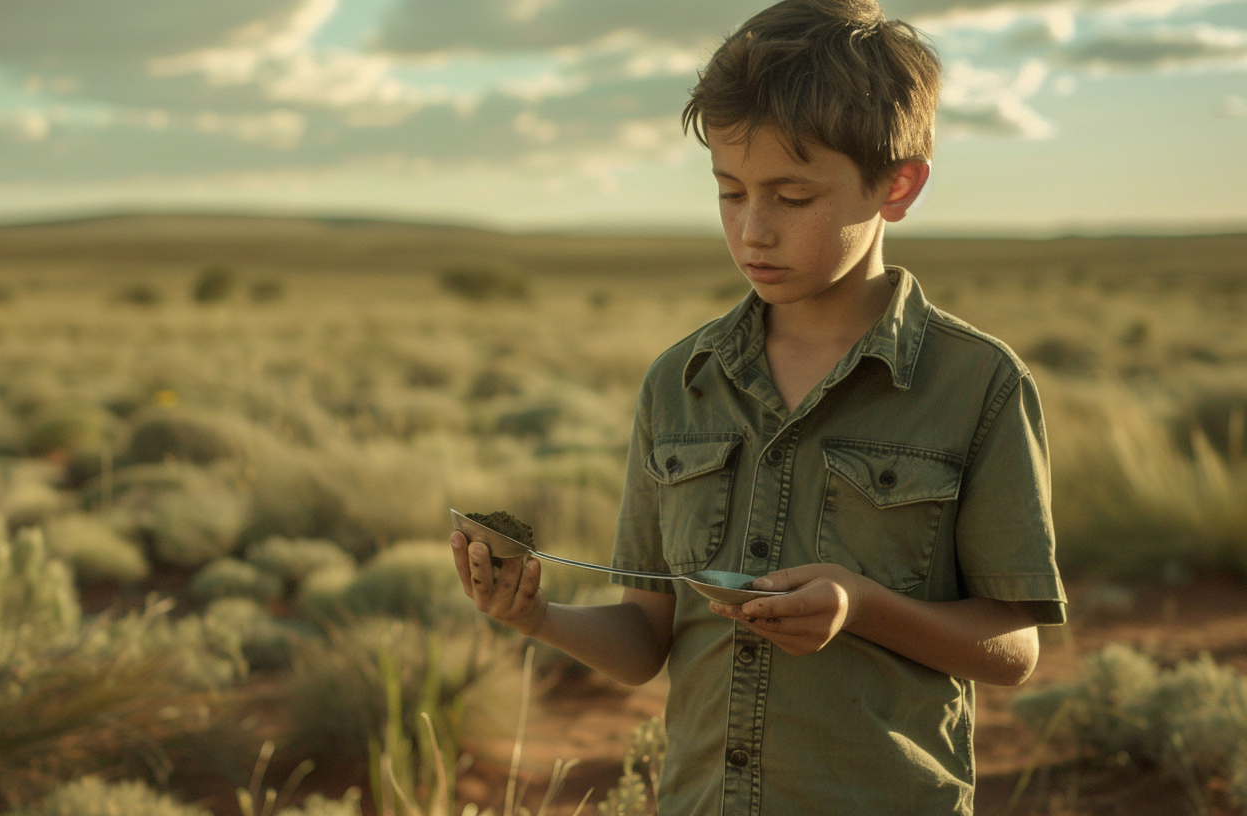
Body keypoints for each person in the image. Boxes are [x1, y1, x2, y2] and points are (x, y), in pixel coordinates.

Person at [449, 0, 1067, 811]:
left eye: (793, 197)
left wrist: (861, 607)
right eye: (730, 192)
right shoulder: (680, 381)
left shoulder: (977, 385)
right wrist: (535, 616)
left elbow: (1013, 650)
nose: (753, 231)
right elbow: (645, 639)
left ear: (898, 185)